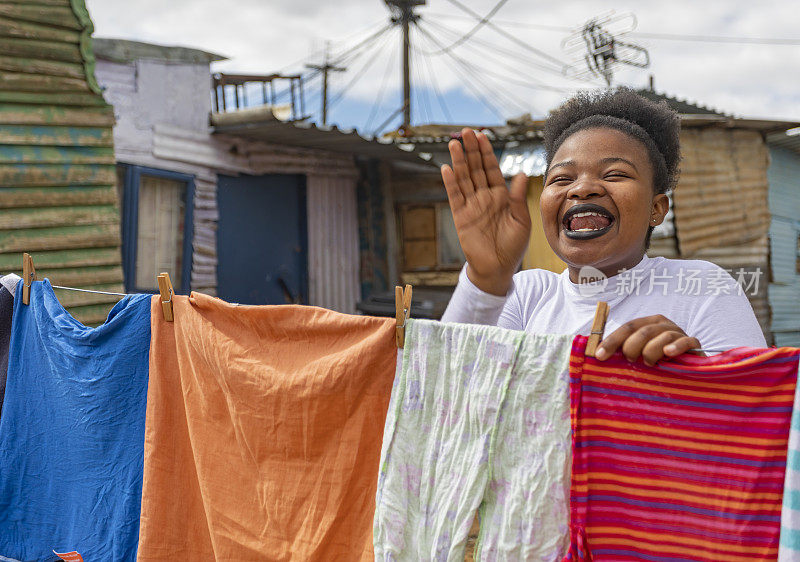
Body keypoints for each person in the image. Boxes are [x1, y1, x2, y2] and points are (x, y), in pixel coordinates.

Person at [440, 88, 766, 364]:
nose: (581, 189)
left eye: (614, 174)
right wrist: (485, 281)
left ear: (656, 208)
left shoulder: (700, 287)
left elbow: (756, 414)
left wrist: (690, 371)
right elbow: (443, 392)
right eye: (562, 178)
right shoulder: (527, 296)